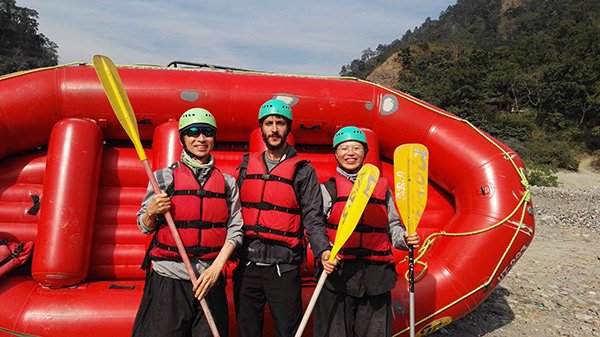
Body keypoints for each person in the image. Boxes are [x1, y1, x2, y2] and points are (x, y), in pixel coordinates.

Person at [131, 108, 243, 337]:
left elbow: (236, 229)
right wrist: (151, 211)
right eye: (193, 132)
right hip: (169, 279)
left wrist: (216, 269)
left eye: (207, 133)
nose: (201, 139)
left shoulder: (228, 183)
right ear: (183, 138)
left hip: (209, 279)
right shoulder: (163, 178)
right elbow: (144, 226)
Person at [234, 99, 338, 337]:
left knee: (288, 331)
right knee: (246, 331)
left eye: (280, 123)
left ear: (288, 127)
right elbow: (233, 213)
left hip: (284, 267)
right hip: (248, 263)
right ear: (261, 128)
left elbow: (313, 217)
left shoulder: (303, 170)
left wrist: (323, 250)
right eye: (269, 123)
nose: (274, 129)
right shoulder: (246, 166)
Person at [313, 126, 420, 337]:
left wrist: (406, 239)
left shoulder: (382, 189)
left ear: (365, 153)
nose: (350, 153)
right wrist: (324, 252)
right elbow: (315, 227)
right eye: (344, 148)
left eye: (356, 148)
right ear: (336, 154)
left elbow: (393, 227)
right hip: (337, 274)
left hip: (375, 276)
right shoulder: (328, 189)